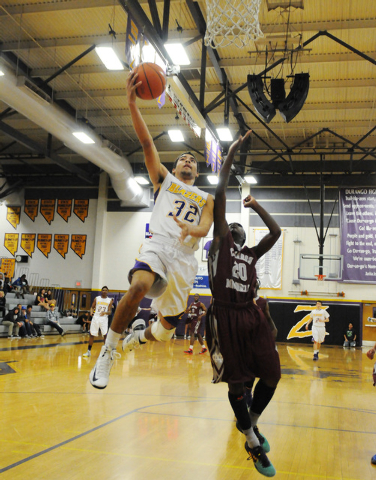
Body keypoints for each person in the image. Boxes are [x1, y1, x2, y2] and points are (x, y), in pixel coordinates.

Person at [89, 69, 214, 389]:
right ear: (174, 168)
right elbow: (146, 142)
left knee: (165, 331)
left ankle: (137, 339)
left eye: (192, 160)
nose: (187, 160)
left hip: (185, 259)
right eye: (183, 158)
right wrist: (132, 103)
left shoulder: (205, 198)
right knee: (138, 286)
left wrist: (193, 230)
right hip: (158, 245)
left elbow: (205, 226)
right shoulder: (164, 181)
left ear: (196, 173)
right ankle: (108, 351)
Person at [206, 131, 281, 477]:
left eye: (238, 225)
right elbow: (220, 193)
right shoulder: (219, 242)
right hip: (225, 315)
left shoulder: (250, 253)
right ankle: (252, 444)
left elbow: (276, 232)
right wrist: (231, 152)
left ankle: (249, 423)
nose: (234, 225)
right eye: (230, 222)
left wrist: (256, 205)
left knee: (272, 374)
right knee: (237, 384)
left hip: (251, 314)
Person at [83, 287, 113, 357]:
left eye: (106, 290)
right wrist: (91, 312)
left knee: (105, 335)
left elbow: (109, 312)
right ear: (101, 291)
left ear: (107, 292)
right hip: (96, 318)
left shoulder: (109, 300)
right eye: (103, 290)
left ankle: (106, 352)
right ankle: (88, 351)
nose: (104, 291)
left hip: (104, 319)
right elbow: (92, 307)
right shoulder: (97, 298)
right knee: (92, 334)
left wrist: (105, 313)